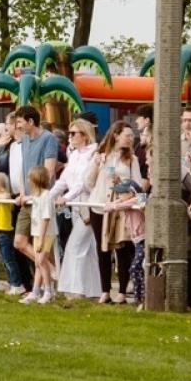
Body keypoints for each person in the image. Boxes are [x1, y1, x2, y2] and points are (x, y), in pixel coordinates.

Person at [0, 106, 58, 294]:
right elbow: (23, 169)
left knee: (42, 245)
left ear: (30, 122)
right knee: (19, 242)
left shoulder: (48, 139)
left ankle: (45, 287)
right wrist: (23, 193)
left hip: (41, 199)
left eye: (20, 122)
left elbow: (49, 170)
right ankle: (50, 270)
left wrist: (35, 194)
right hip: (27, 200)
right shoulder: (24, 140)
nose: (18, 126)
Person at [87, 121, 141, 305]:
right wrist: (96, 164)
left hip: (120, 209)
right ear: (116, 135)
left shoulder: (131, 159)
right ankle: (105, 290)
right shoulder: (102, 155)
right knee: (102, 248)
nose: (130, 139)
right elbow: (88, 182)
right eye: (127, 135)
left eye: (132, 136)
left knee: (123, 248)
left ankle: (123, 291)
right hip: (99, 206)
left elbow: (138, 184)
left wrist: (125, 185)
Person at [55, 120, 104, 301]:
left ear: (84, 135)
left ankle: (75, 289)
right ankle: (93, 289)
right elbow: (64, 180)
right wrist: (48, 196)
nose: (70, 137)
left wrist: (66, 198)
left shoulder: (94, 153)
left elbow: (83, 183)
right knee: (87, 248)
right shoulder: (73, 154)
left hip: (88, 205)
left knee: (75, 246)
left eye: (74, 133)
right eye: (69, 133)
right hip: (76, 206)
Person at [21, 166, 57, 304]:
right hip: (37, 232)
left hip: (45, 234)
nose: (28, 181)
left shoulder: (46, 196)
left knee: (41, 261)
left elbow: (45, 218)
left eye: (30, 178)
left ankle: (48, 291)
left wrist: (41, 239)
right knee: (37, 262)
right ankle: (36, 291)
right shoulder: (37, 195)